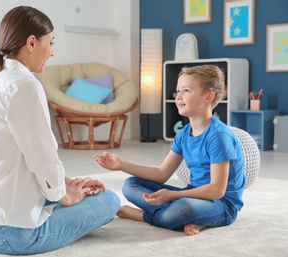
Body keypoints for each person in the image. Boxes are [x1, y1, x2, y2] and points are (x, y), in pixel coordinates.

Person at [0, 6, 120, 255]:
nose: (52, 51)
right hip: (12, 233)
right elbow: (41, 154)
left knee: (75, 189)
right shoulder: (24, 85)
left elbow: (21, 155)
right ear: (32, 42)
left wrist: (67, 182)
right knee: (109, 201)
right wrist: (65, 196)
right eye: (51, 42)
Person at [95, 65, 245, 236]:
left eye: (186, 90)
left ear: (208, 96)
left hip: (221, 204)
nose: (178, 96)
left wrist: (171, 197)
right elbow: (161, 173)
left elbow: (217, 190)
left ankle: (144, 216)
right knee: (131, 185)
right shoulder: (183, 134)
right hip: (192, 196)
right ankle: (192, 219)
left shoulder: (219, 136)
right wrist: (121, 165)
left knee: (184, 208)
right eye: (178, 90)